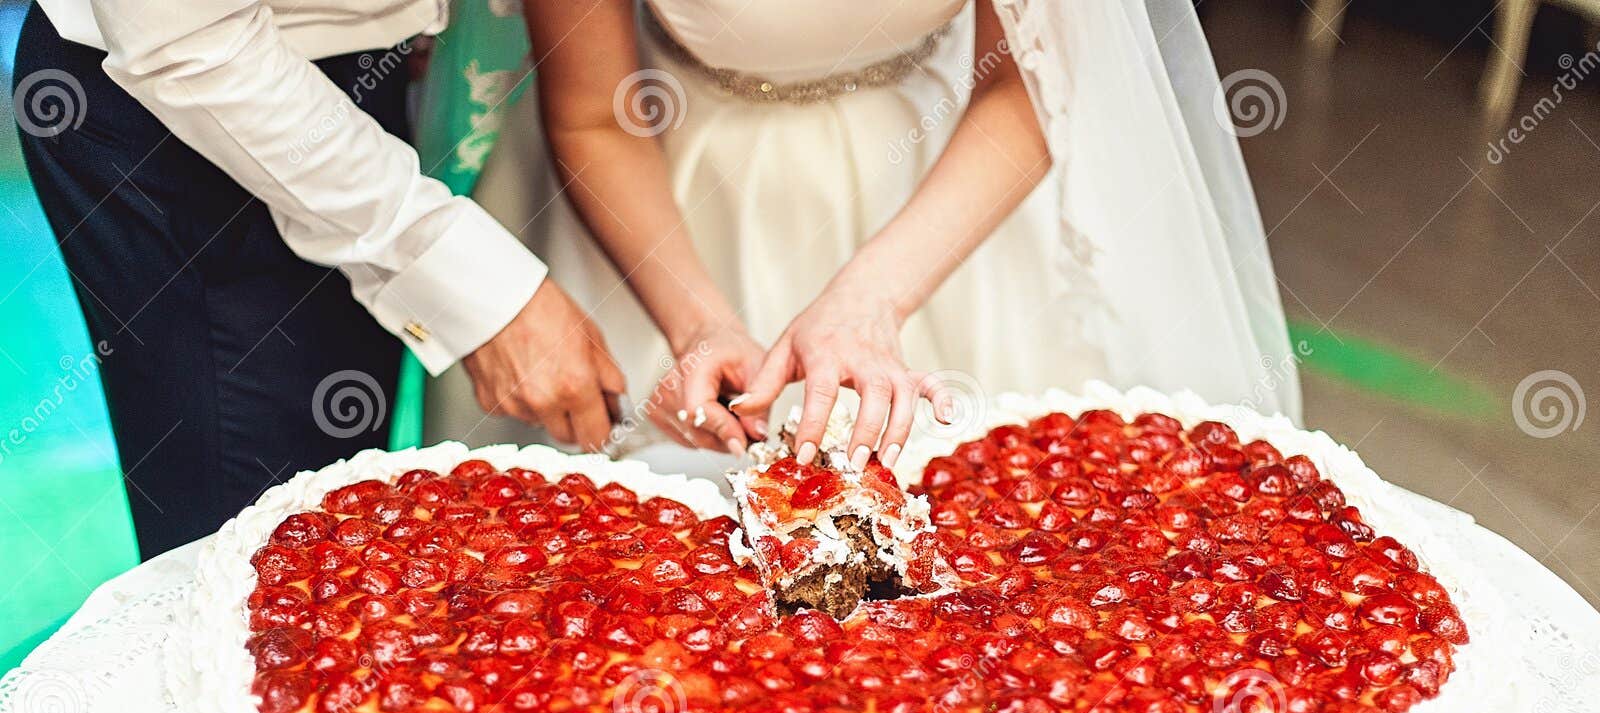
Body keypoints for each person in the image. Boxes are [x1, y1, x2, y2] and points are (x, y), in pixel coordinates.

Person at [426, 0, 1301, 477]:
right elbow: (594, 114)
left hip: (943, 193)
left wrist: (874, 297)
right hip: (666, 190)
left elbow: (1034, 82)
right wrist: (696, 326)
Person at [13, 0, 624, 558]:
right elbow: (183, 40)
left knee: (340, 531)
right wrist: (485, 294)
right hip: (199, 100)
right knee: (259, 570)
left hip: (356, 77)